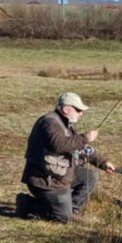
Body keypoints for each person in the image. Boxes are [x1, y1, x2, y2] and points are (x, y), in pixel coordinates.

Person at [17, 92, 115, 222]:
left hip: (61, 175)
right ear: (66, 109)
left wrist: (103, 162)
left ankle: (71, 209)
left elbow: (79, 148)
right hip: (45, 180)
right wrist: (85, 138)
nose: (81, 113)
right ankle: (26, 204)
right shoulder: (49, 123)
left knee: (90, 176)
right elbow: (60, 145)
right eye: (78, 110)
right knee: (62, 217)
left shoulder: (66, 124)